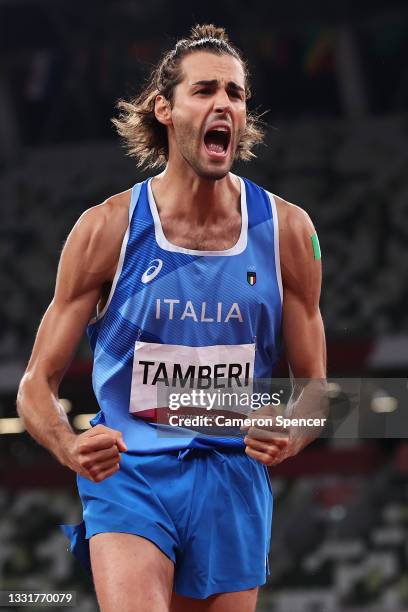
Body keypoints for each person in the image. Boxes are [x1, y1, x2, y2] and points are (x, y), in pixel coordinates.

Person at [17, 24, 326, 612]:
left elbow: (313, 390)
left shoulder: (290, 233)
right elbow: (36, 385)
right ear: (165, 108)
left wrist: (291, 431)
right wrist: (67, 446)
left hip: (233, 479)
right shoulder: (107, 229)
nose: (224, 105)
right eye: (205, 90)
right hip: (131, 475)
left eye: (235, 94)